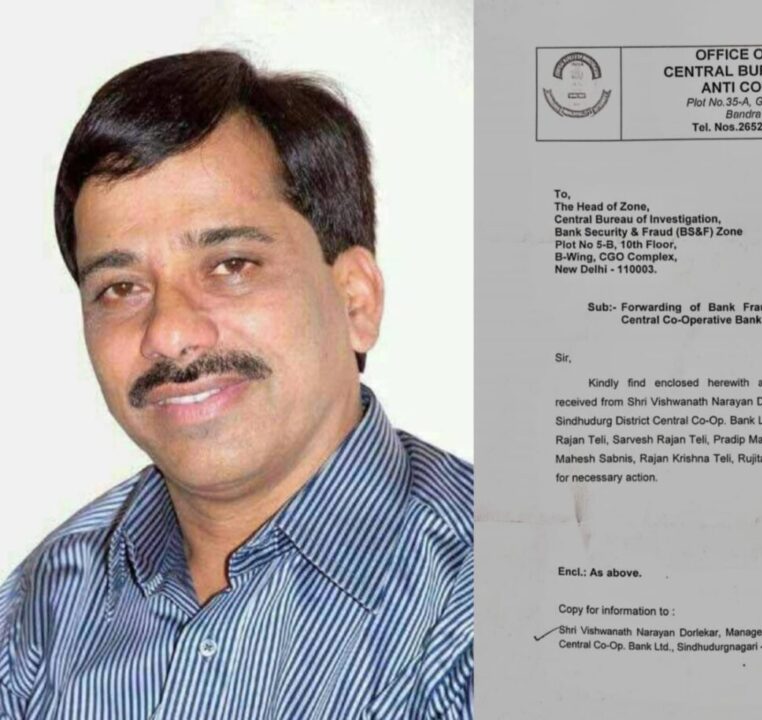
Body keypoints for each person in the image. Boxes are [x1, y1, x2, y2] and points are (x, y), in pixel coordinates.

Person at [0, 50, 472, 719]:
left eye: (231, 265)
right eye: (121, 287)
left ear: (355, 300)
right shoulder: (45, 608)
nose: (169, 332)